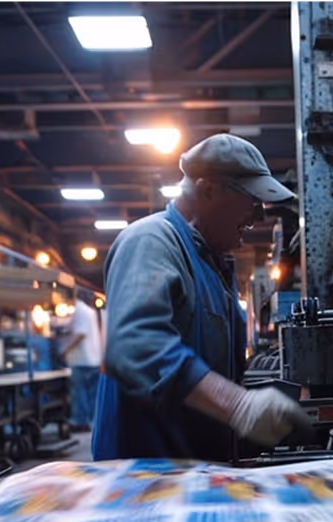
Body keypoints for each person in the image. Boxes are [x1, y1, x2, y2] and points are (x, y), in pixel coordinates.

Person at [92, 134, 310, 462]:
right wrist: (236, 404)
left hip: (194, 470)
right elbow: (134, 345)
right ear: (209, 190)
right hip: (145, 476)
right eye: (253, 201)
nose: (259, 217)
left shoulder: (211, 265)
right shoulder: (151, 241)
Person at [60, 302, 104, 432]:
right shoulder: (90, 310)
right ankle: (92, 421)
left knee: (79, 391)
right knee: (91, 393)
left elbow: (80, 333)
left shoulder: (80, 311)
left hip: (82, 360)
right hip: (94, 358)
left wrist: (65, 350)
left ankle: (81, 420)